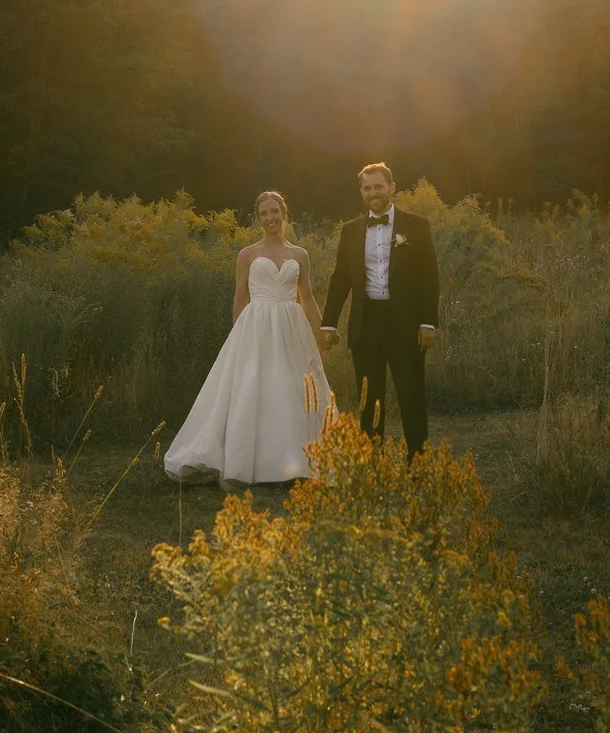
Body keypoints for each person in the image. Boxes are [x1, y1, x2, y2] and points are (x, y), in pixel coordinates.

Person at [163, 190, 333, 489]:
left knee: (292, 389)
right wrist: (238, 336)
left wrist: (321, 333)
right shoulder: (248, 255)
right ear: (258, 218)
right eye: (264, 213)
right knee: (255, 388)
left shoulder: (299, 255)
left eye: (274, 211)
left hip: (292, 329)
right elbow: (240, 296)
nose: (270, 218)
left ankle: (294, 461)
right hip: (256, 327)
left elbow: (307, 297)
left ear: (284, 213)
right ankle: (249, 461)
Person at [319, 162, 440, 458]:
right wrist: (328, 324)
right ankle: (372, 466)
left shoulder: (416, 226)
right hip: (366, 324)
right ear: (362, 191)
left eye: (378, 186)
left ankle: (418, 464)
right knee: (369, 399)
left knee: (411, 396)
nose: (373, 192)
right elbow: (340, 279)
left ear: (391, 187)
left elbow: (429, 277)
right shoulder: (350, 231)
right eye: (367, 188)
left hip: (406, 325)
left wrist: (428, 322)